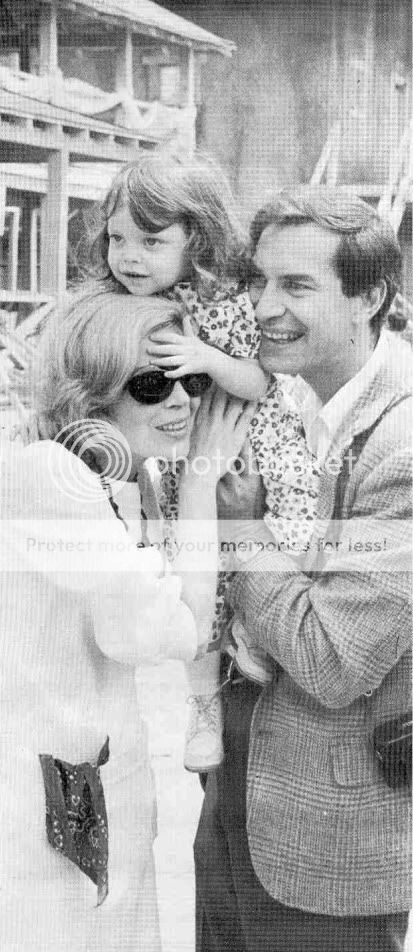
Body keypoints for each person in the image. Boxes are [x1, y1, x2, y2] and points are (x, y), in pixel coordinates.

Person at [0, 288, 255, 952]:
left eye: (189, 381)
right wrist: (200, 485)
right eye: (150, 385)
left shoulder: (109, 480)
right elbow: (166, 632)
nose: (180, 403)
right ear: (92, 394)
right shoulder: (50, 478)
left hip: (89, 780)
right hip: (56, 792)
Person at [194, 188, 412, 952]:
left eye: (296, 286)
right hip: (232, 803)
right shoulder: (279, 397)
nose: (263, 307)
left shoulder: (403, 446)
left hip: (328, 840)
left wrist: (241, 529)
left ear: (370, 298)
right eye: (258, 281)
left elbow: (330, 661)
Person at [90, 150, 320, 773]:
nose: (129, 256)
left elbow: (258, 380)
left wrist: (205, 357)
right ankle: (202, 706)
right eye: (117, 238)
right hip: (181, 455)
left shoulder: (220, 302)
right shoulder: (122, 306)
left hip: (249, 444)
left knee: (261, 550)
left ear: (196, 238)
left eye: (150, 240)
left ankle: (258, 641)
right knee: (196, 582)